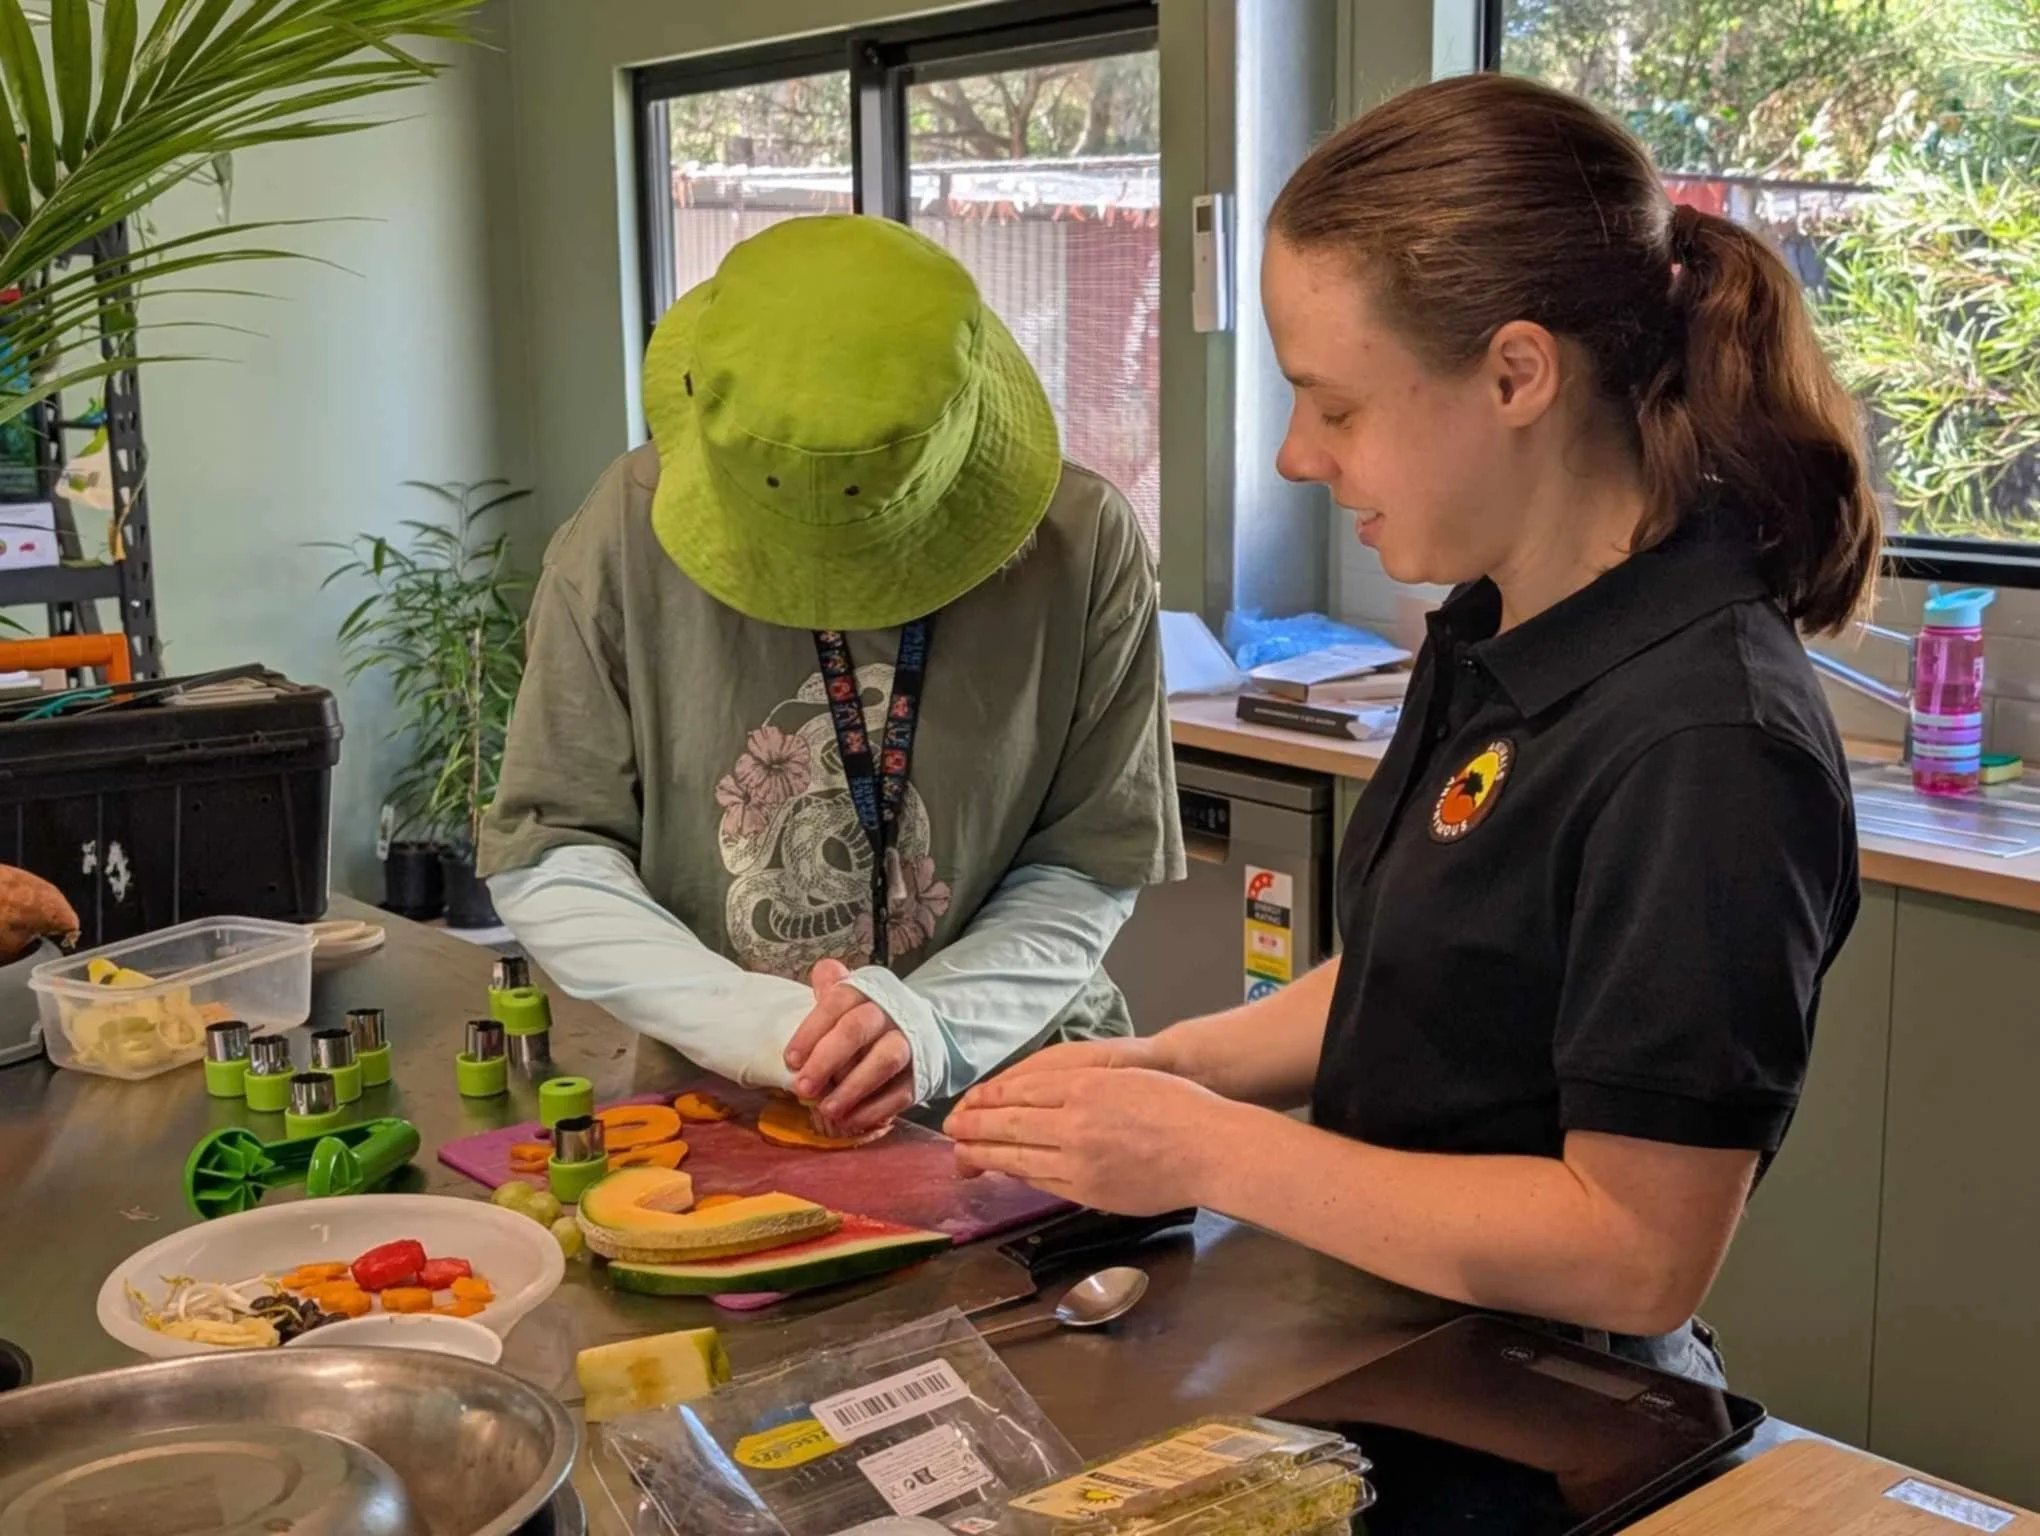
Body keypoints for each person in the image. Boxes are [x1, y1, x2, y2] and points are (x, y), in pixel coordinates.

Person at [945, 72, 1877, 1384]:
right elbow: (1421, 973)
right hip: (1392, 1345)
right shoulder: (1494, 621)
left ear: (1515, 374)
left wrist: (1205, 1150)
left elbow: (1635, 1250)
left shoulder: (1707, 743)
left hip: (1566, 1408)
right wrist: (1166, 1071)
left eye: (1336, 405)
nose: (1294, 457)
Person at [481, 215, 1183, 1135]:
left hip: (1017, 1093)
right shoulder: (624, 530)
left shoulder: (1081, 542)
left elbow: (1089, 860)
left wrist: (932, 1025)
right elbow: (552, 847)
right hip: (716, 1092)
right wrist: (756, 1024)